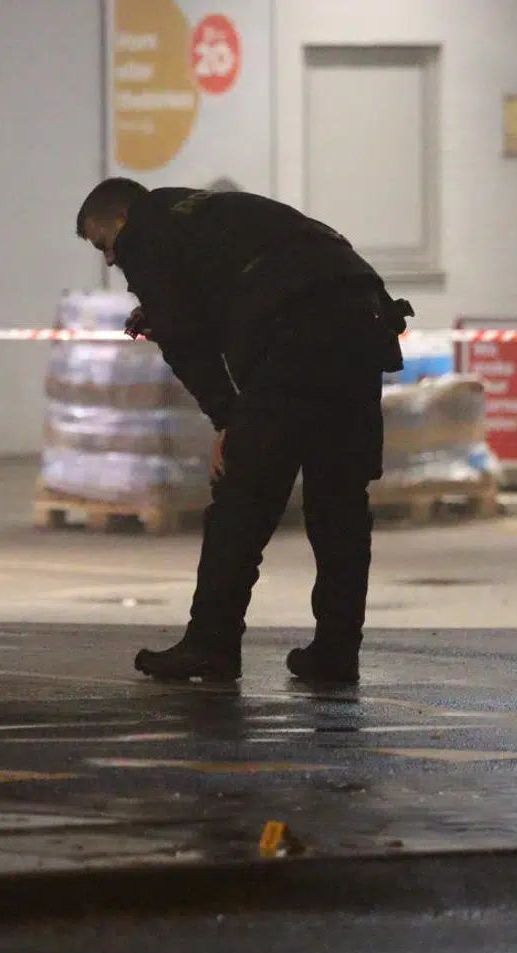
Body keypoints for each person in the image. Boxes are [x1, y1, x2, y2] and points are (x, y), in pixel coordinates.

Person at [74, 178, 411, 685]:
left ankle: (210, 644)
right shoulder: (205, 211)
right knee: (339, 502)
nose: (110, 261)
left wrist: (226, 419)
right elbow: (236, 281)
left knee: (242, 499)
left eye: (105, 245)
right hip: (362, 319)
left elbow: (186, 341)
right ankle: (336, 653)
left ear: (120, 218)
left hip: (297, 338)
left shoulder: (145, 230)